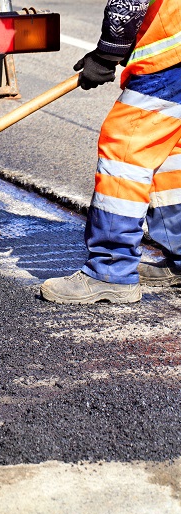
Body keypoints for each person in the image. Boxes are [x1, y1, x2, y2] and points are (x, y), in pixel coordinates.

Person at [40, 0, 181, 304]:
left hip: (173, 49)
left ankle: (110, 270)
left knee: (127, 147)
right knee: (172, 154)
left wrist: (107, 53)